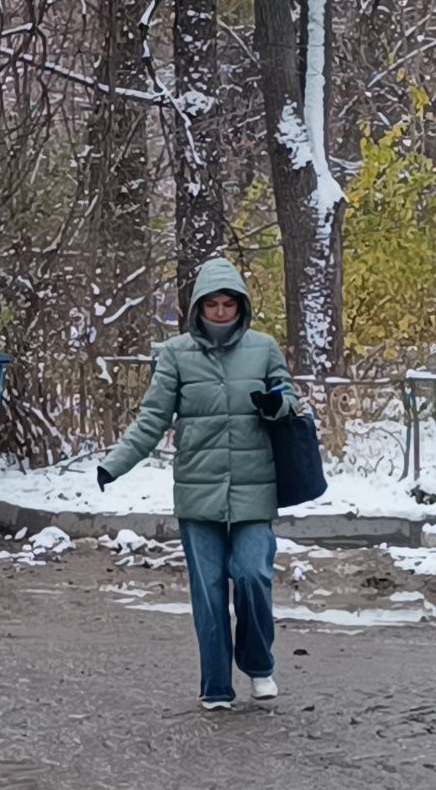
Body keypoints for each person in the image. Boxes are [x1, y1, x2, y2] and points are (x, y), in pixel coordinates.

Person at [97, 258, 296, 711]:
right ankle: (216, 687)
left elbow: (291, 398)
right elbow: (152, 419)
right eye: (213, 304)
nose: (222, 311)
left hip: (254, 489)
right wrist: (115, 464)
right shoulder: (175, 354)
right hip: (198, 491)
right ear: (199, 307)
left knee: (252, 575)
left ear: (241, 306)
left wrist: (276, 404)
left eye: (230, 303)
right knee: (207, 592)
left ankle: (259, 665)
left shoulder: (264, 349)